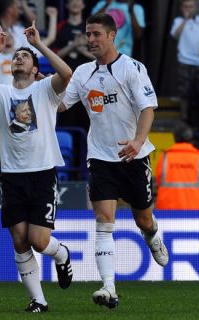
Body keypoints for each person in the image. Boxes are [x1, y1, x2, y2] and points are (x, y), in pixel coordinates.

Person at [57, 13, 169, 309]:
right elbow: (60, 105)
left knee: (142, 218)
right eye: (87, 34)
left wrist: (137, 141)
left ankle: (153, 234)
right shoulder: (82, 73)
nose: (90, 39)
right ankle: (108, 288)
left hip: (134, 156)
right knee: (103, 220)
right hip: (101, 157)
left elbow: (148, 109)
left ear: (111, 35)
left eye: (96, 34)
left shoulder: (132, 68)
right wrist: (37, 90)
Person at [0, 22, 73, 313]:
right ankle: (39, 300)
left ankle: (62, 254)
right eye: (16, 57)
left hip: (42, 173)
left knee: (39, 241)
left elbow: (67, 74)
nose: (18, 59)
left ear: (35, 68)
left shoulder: (45, 90)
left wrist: (38, 44)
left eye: (25, 57)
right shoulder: (1, 93)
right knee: (19, 240)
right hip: (12, 176)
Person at [170, 0, 199, 128]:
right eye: (185, 7)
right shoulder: (178, 21)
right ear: (181, 8)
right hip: (185, 61)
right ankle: (184, 116)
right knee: (184, 91)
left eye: (191, 7)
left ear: (196, 7)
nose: (188, 9)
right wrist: (186, 20)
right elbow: (175, 35)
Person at [155, 122, 199, 210]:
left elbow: (158, 183)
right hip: (197, 211)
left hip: (167, 212)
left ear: (174, 137)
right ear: (190, 137)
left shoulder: (164, 157)